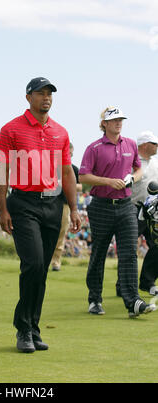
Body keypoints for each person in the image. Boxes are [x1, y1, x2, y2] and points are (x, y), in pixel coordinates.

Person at [0, 77, 81, 353]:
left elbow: (67, 173)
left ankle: (33, 326)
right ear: (28, 97)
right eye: (41, 93)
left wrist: (74, 207)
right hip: (23, 204)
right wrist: (2, 208)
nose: (46, 98)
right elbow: (1, 171)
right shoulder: (11, 129)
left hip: (53, 205)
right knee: (32, 264)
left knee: (41, 270)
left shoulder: (61, 132)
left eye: (49, 94)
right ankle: (23, 328)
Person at [79, 107, 155, 317]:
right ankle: (94, 299)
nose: (118, 123)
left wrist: (133, 178)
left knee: (129, 253)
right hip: (101, 205)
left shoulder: (130, 144)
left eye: (120, 119)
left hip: (126, 206)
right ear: (104, 123)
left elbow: (138, 168)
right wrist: (108, 181)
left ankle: (133, 302)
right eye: (113, 120)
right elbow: (83, 177)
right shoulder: (93, 148)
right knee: (99, 253)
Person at [131, 131, 158, 295]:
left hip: (153, 211)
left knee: (157, 246)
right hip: (133, 209)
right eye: (154, 144)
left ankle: (147, 282)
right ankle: (124, 286)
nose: (157, 147)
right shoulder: (132, 162)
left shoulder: (155, 162)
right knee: (128, 249)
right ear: (144, 145)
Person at [51, 142, 82, 271]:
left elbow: (80, 186)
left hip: (64, 205)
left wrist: (67, 184)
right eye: (67, 153)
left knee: (61, 233)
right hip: (49, 203)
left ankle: (56, 261)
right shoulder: (51, 167)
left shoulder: (73, 169)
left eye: (71, 154)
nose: (69, 156)